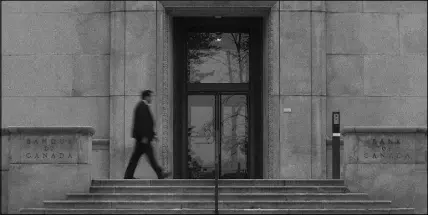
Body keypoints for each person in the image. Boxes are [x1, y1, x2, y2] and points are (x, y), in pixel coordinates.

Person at [124, 90, 170, 179]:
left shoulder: (143, 106)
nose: (151, 98)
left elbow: (147, 123)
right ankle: (160, 174)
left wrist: (153, 135)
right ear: (146, 97)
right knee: (149, 157)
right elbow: (142, 123)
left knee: (137, 158)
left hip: (143, 138)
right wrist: (144, 136)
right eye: (150, 96)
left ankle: (128, 175)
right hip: (143, 139)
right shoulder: (142, 106)